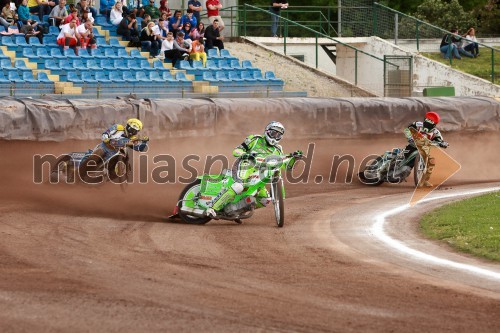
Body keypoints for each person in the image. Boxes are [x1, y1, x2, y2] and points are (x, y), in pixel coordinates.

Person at [204, 121, 303, 217]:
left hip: (259, 175)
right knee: (239, 186)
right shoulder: (255, 139)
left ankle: (235, 210)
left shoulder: (278, 149)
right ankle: (213, 208)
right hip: (245, 165)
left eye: (278, 135)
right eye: (273, 133)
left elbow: (287, 167)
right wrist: (245, 154)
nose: (275, 137)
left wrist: (295, 159)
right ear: (267, 131)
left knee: (265, 199)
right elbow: (237, 150)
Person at [78, 118, 149, 181]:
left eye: (135, 131)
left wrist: (145, 142)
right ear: (127, 126)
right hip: (104, 147)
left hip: (114, 154)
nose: (132, 132)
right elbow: (106, 133)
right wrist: (106, 139)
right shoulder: (118, 127)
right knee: (96, 156)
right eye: (131, 130)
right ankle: (78, 171)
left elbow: (139, 148)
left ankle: (101, 179)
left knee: (115, 171)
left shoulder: (133, 139)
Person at [402, 111, 449, 187]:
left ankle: (424, 180)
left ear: (434, 124)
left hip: (424, 150)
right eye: (427, 121)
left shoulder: (435, 132)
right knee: (403, 158)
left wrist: (443, 143)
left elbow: (440, 140)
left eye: (431, 123)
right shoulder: (417, 124)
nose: (427, 126)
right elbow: (407, 129)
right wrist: (410, 137)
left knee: (431, 161)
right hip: (412, 147)